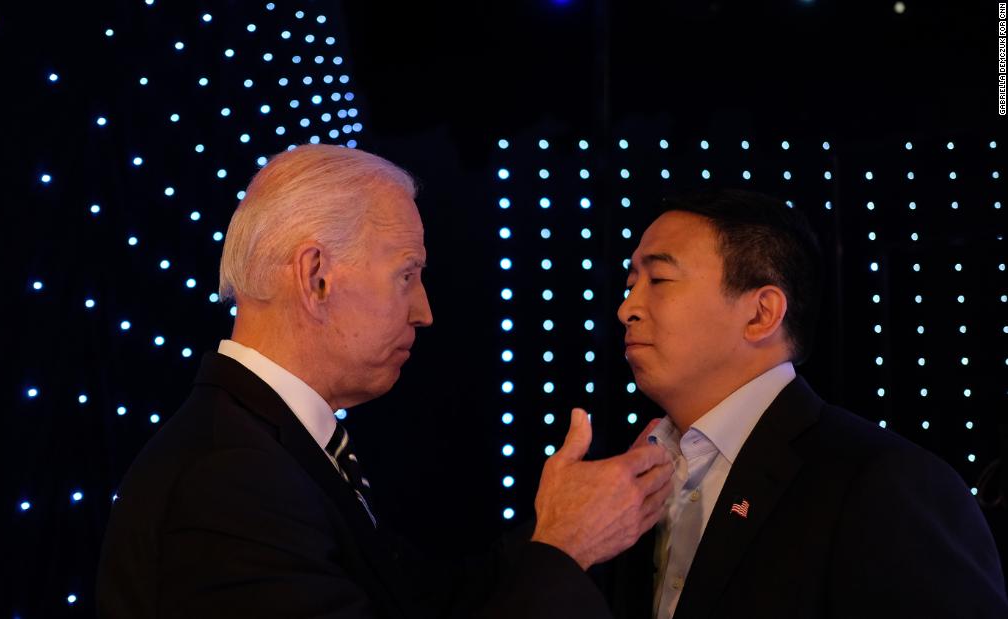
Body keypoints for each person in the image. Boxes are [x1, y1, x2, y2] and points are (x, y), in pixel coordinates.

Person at [96, 144, 674, 618]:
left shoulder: (271, 445)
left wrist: (557, 526)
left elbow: (422, 602)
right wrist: (565, 546)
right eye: (407, 274)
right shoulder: (229, 477)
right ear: (316, 277)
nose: (425, 311)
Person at [600, 189, 1008, 618]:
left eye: (659, 280)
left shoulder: (886, 480)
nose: (626, 308)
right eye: (631, 284)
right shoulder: (636, 476)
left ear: (761, 314)